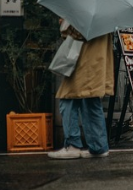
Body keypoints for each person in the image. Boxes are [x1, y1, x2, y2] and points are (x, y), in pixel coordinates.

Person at [48, 19, 114, 159]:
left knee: (67, 99)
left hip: (84, 62)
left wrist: (65, 24)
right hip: (97, 62)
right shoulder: (106, 14)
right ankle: (98, 147)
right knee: (91, 101)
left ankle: (72, 145)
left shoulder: (87, 13)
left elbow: (78, 33)